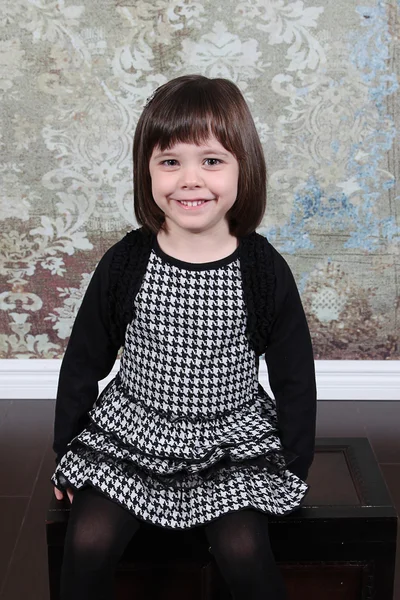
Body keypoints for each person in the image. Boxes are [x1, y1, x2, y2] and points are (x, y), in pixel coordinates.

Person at [51, 74, 317, 600]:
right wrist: (66, 447)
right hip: (135, 431)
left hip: (229, 438)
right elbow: (83, 360)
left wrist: (295, 463)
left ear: (245, 168)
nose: (190, 179)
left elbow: (295, 377)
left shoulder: (262, 269)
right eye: (170, 161)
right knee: (87, 542)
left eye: (211, 161)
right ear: (146, 171)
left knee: (244, 551)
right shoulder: (127, 262)